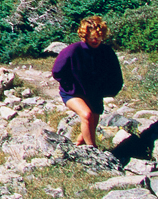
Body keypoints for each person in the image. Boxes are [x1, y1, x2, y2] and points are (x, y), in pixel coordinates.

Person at [51, 15, 122, 148]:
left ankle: (78, 148)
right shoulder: (72, 50)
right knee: (87, 115)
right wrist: (71, 86)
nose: (95, 40)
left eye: (99, 36)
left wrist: (109, 90)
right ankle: (94, 152)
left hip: (94, 94)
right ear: (85, 35)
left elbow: (115, 74)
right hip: (73, 93)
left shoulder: (106, 52)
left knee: (92, 123)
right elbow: (57, 71)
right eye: (91, 37)